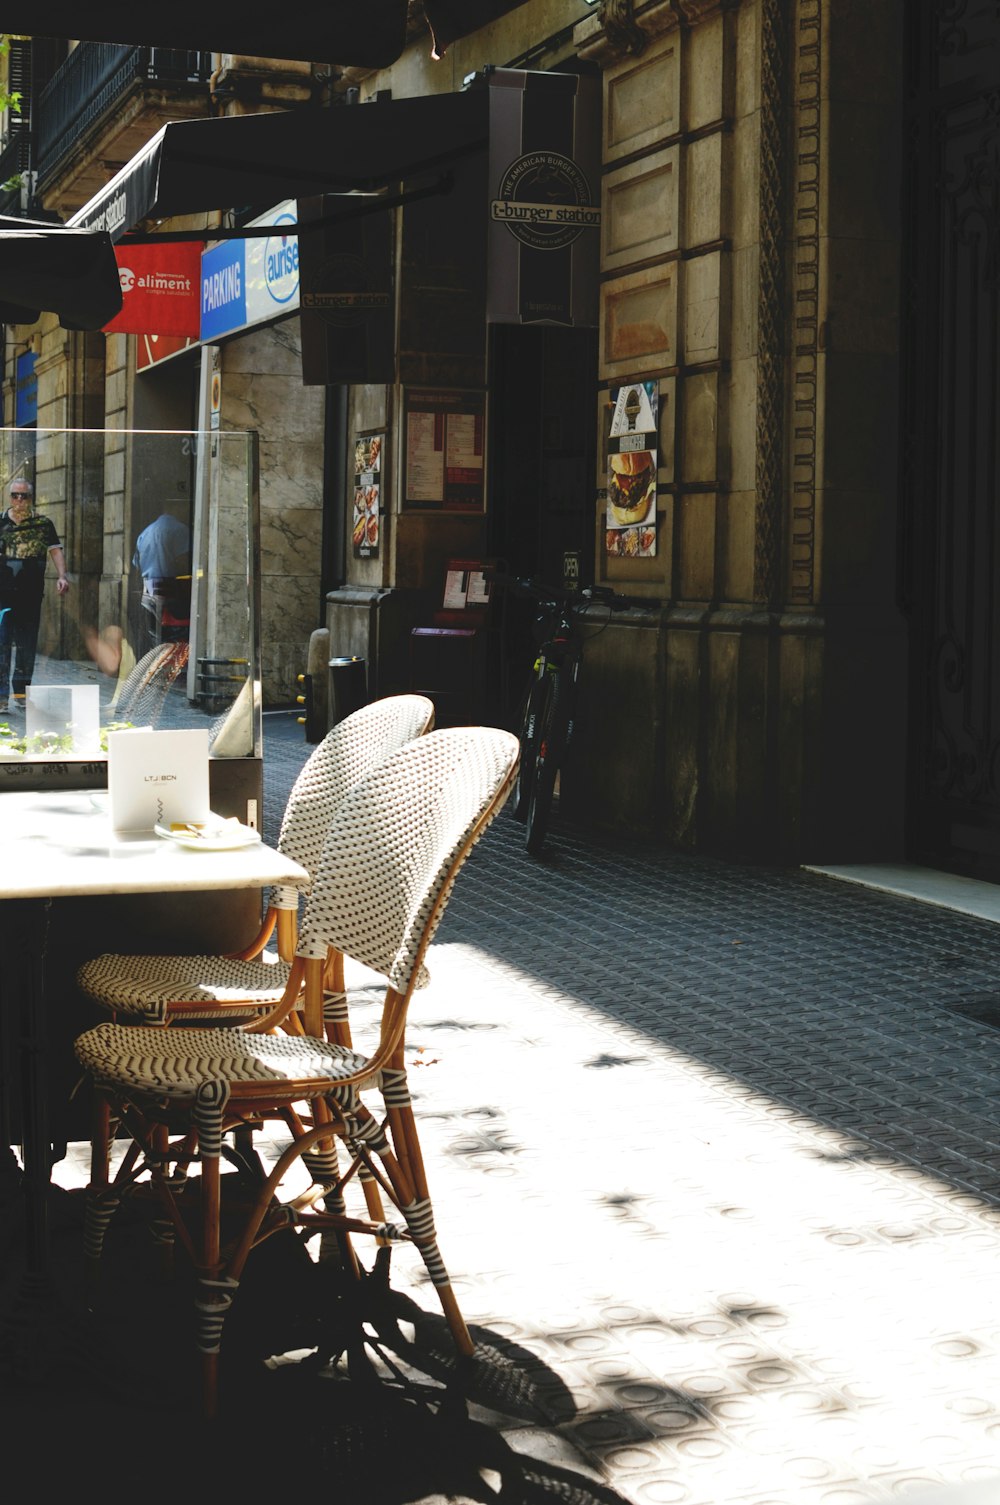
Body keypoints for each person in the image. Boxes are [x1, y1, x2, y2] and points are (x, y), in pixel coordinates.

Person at [0, 479, 70, 712]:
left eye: (24, 496)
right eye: (15, 495)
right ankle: (0, 698)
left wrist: (62, 576)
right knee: (2, 644)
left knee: (26, 644)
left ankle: (21, 694)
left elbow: (55, 551)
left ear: (31, 498)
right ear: (9, 497)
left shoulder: (43, 523)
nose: (19, 500)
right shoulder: (0, 521)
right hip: (2, 595)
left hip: (30, 594)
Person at [132, 509, 191, 643]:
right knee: (172, 638)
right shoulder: (180, 529)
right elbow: (183, 562)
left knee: (154, 636)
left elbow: (137, 565)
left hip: (148, 587)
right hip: (169, 587)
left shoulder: (145, 533)